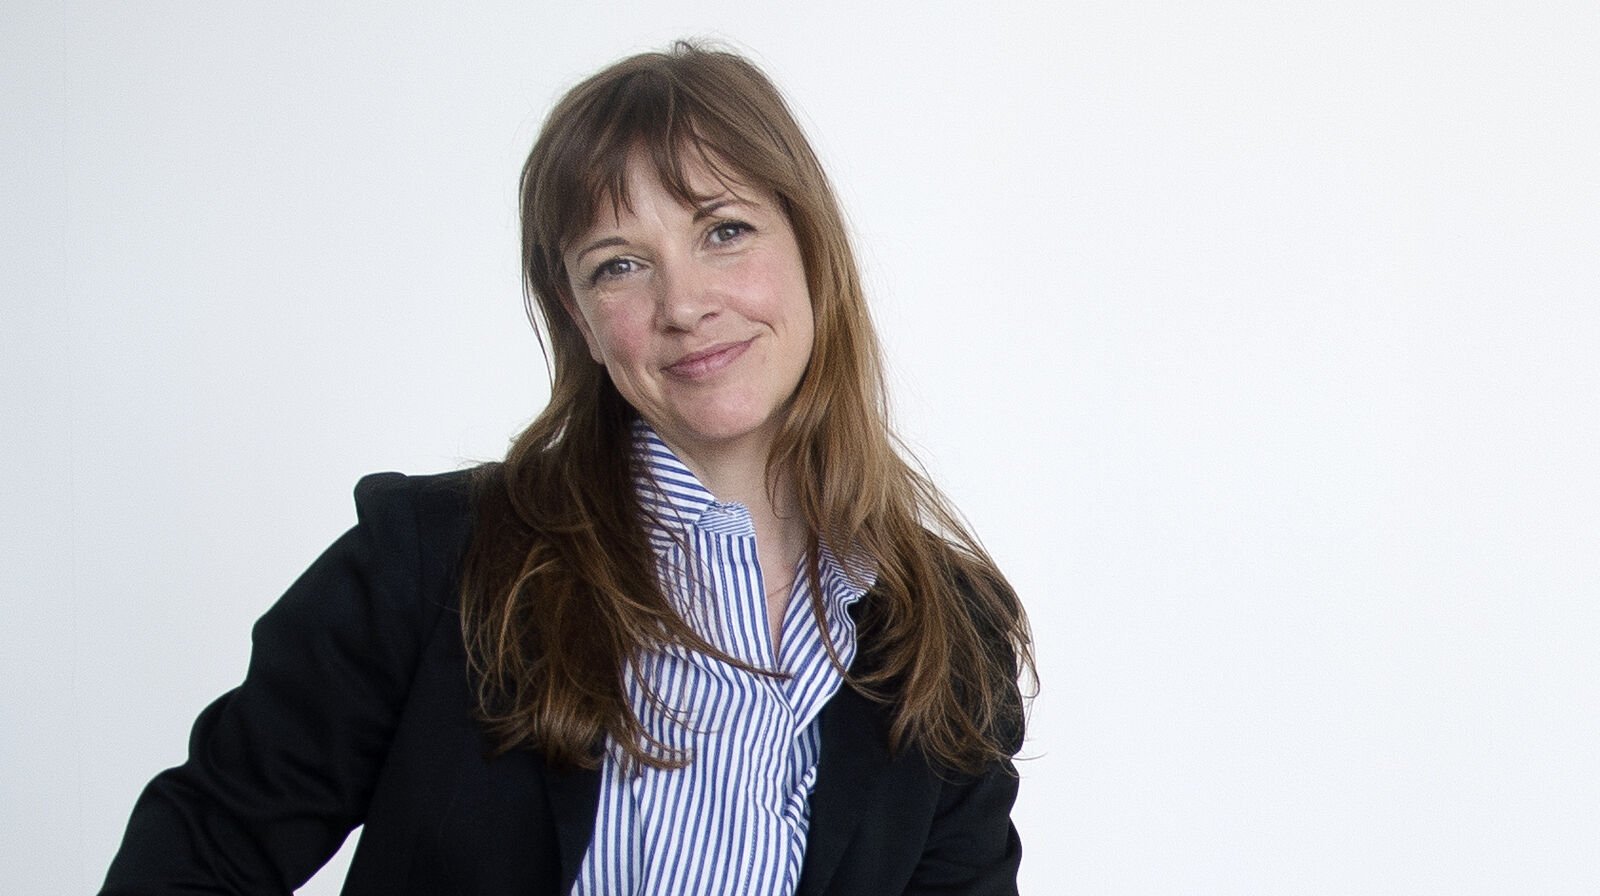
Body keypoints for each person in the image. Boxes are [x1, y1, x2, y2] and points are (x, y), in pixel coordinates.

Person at [101, 41, 1034, 896]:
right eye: (619, 265)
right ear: (578, 315)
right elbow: (198, 858)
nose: (684, 304)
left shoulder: (949, 636)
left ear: (811, 248)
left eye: (725, 231)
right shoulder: (429, 565)